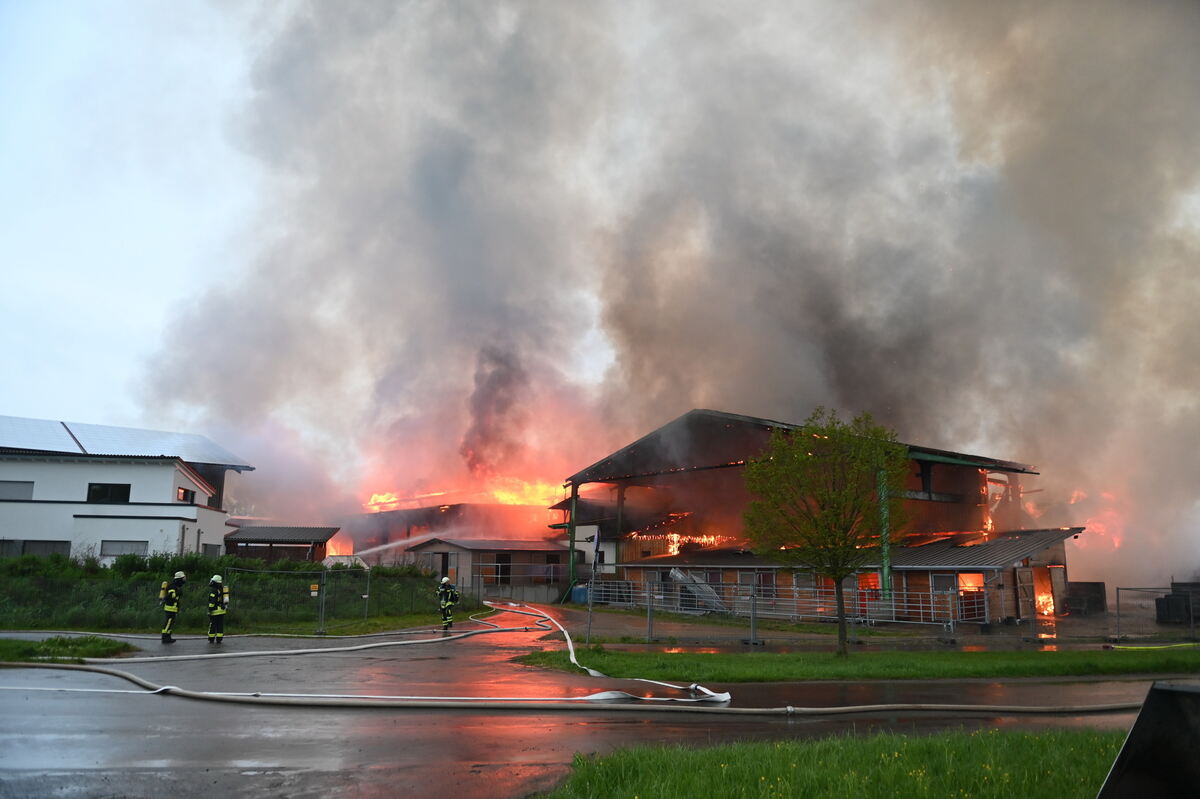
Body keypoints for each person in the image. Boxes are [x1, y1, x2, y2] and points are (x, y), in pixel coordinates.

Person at [160, 571, 185, 644]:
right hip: (170, 608)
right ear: (179, 579)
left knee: (171, 623)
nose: (184, 580)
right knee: (168, 623)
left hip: (173, 609)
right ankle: (164, 637)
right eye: (183, 578)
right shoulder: (172, 586)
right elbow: (171, 595)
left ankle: (168, 637)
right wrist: (178, 593)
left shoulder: (176, 586)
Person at [207, 574, 230, 644]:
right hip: (222, 610)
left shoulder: (213, 591)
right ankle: (219, 639)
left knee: (213, 625)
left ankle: (211, 638)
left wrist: (210, 610)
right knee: (220, 625)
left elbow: (212, 601)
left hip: (215, 611)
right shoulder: (222, 589)